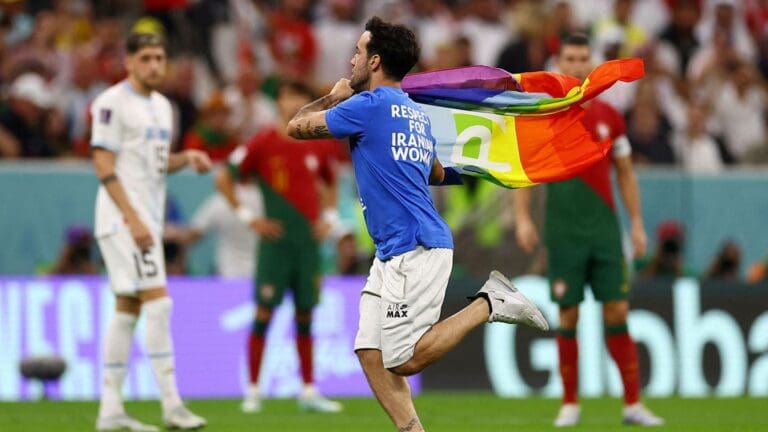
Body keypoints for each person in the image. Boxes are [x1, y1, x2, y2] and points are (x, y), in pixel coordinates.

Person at [285, 17, 548, 431]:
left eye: (357, 52)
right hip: (394, 250)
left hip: (415, 246)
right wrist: (482, 166)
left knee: (403, 358)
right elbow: (435, 172)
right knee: (370, 351)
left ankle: (490, 302)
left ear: (373, 62)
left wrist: (333, 97)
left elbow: (295, 127)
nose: (350, 60)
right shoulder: (415, 115)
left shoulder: (366, 106)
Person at [513, 34, 664, 427]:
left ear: (591, 63)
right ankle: (569, 403)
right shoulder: (543, 113)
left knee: (617, 310)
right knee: (569, 316)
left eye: (583, 58)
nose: (577, 65)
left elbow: (626, 175)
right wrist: (524, 218)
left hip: (604, 230)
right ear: (558, 62)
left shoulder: (610, 117)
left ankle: (632, 404)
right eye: (570, 58)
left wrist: (637, 224)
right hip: (563, 231)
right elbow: (525, 172)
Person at [90, 32, 210, 431]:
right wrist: (135, 220)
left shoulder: (164, 107)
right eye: (146, 58)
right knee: (158, 304)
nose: (155, 65)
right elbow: (104, 166)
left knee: (127, 307)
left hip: (145, 219)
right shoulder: (111, 103)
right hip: (123, 218)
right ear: (129, 62)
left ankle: (110, 411)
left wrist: (185, 157)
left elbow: (155, 165)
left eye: (160, 57)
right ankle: (172, 405)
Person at [215, 80, 343, 414]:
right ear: (280, 101)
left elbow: (331, 180)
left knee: (306, 314)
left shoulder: (320, 143)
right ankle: (254, 391)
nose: (294, 102)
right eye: (289, 96)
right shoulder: (263, 142)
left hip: (307, 245)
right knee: (263, 313)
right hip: (275, 244)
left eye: (301, 97)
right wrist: (249, 217)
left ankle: (308, 390)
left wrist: (329, 216)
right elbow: (223, 177)